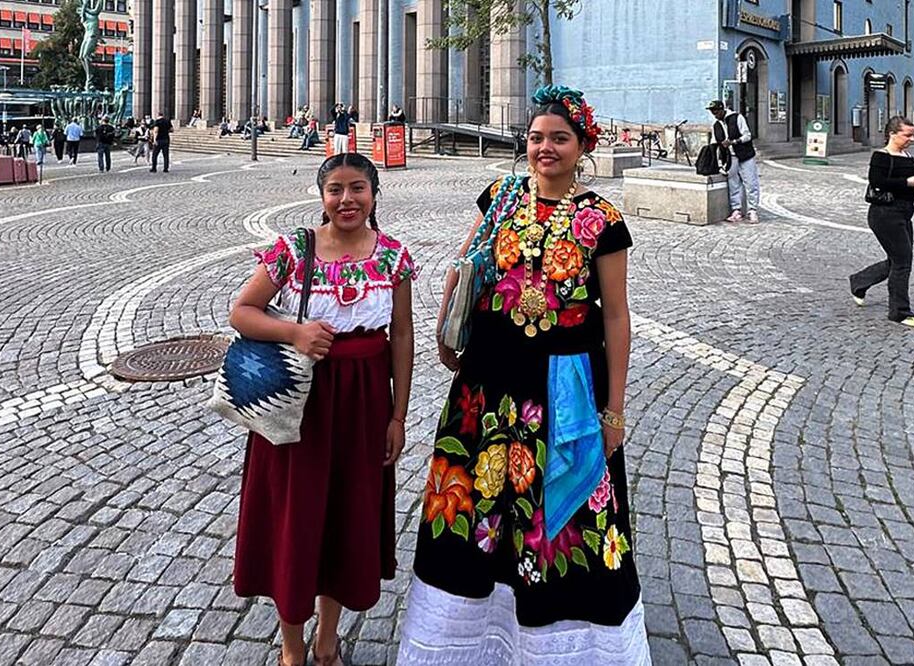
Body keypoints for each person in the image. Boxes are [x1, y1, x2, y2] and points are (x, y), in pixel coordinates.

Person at [397, 85, 650, 664]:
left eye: (559, 138)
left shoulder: (602, 221)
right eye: (536, 137)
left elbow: (616, 317)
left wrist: (614, 409)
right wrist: (445, 327)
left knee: (562, 520)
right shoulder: (501, 196)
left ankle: (564, 648)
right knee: (478, 511)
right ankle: (468, 640)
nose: (545, 148)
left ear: (583, 145)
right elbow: (464, 270)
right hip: (486, 385)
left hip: (563, 390)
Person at [231, 152, 415, 666]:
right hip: (299, 406)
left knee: (344, 518)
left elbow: (401, 334)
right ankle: (292, 648)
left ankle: (327, 641)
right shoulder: (295, 250)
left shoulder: (394, 259)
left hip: (364, 403)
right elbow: (242, 312)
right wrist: (295, 331)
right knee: (296, 518)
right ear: (322, 196)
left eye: (357, 188)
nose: (346, 200)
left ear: (375, 194)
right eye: (335, 189)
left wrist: (397, 416)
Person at [848, 116, 914, 329]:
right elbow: (877, 182)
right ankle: (900, 312)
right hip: (884, 214)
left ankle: (859, 281)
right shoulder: (881, 157)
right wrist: (907, 182)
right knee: (903, 262)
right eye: (907, 135)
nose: (911, 139)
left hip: (905, 212)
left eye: (912, 134)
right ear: (892, 134)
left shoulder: (907, 155)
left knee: (897, 259)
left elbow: (905, 182)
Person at [707, 99, 761, 224]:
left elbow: (747, 135)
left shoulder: (737, 118)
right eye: (712, 112)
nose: (715, 114)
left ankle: (752, 210)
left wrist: (733, 141)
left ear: (722, 109)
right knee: (733, 184)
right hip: (730, 158)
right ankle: (736, 210)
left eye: (716, 111)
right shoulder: (716, 125)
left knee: (751, 182)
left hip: (745, 155)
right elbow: (715, 141)